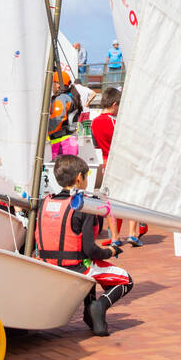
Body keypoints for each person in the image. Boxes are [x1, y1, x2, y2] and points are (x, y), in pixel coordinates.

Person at [35, 153, 133, 336]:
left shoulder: (44, 203)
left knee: (90, 266)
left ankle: (91, 314)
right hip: (77, 268)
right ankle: (99, 306)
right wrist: (110, 251)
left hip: (48, 266)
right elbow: (90, 250)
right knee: (126, 280)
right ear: (79, 178)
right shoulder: (83, 206)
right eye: (87, 176)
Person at [90, 87, 145, 246]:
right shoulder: (116, 122)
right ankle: (132, 234)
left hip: (106, 164)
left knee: (110, 201)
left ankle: (114, 237)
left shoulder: (94, 123)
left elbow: (96, 146)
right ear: (114, 104)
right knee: (132, 198)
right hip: (121, 162)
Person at [46, 70, 83, 160]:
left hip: (63, 144)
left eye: (52, 83)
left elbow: (58, 119)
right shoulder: (69, 96)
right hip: (69, 141)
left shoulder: (61, 98)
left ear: (58, 84)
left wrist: (45, 132)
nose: (51, 87)